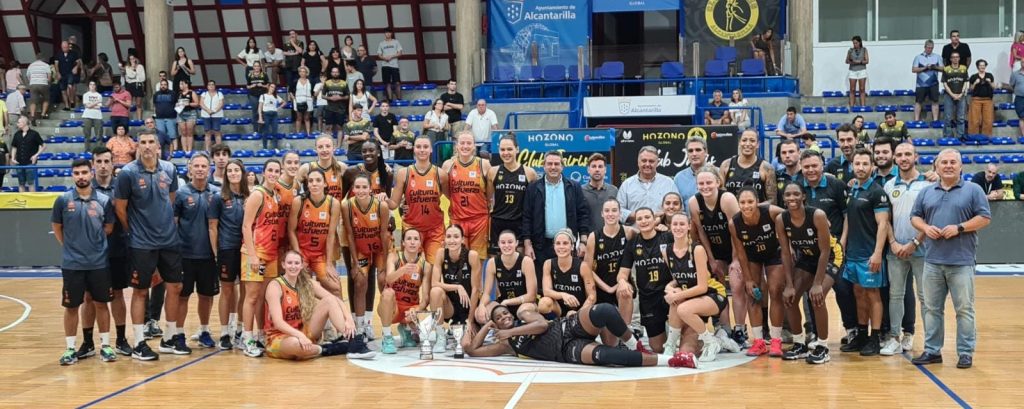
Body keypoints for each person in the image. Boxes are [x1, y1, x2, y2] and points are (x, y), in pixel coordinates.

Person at [910, 149, 990, 369]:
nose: (948, 166)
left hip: (961, 261)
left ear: (960, 166)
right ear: (936, 166)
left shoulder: (973, 190)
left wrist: (959, 227)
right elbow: (915, 217)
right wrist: (926, 228)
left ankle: (965, 352)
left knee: (964, 309)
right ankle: (932, 351)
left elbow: (985, 218)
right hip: (932, 261)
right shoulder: (927, 192)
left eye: (953, 162)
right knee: (931, 309)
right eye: (943, 162)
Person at [114, 130, 185, 360]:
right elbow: (120, 208)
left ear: (158, 146)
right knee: (141, 291)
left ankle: (169, 338)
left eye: (151, 142)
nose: (147, 146)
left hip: (169, 240)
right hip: (141, 242)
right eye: (142, 142)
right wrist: (133, 231)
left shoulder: (170, 169)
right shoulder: (127, 173)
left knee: (175, 287)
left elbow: (170, 201)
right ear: (137, 146)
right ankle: (139, 343)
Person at [465, 301, 682, 366]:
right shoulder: (506, 345)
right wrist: (485, 325)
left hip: (566, 327)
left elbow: (542, 325)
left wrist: (511, 330)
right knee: (606, 357)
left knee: (604, 310)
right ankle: (669, 360)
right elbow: (472, 350)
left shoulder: (523, 315)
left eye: (505, 313)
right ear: (496, 324)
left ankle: (635, 345)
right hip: (565, 350)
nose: (504, 317)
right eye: (499, 318)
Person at [53, 159, 117, 365]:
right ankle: (70, 349)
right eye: (76, 173)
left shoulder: (104, 201)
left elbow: (108, 227)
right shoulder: (63, 200)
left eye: (84, 172)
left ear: (91, 173)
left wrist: (93, 245)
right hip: (72, 264)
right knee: (71, 306)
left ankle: (105, 346)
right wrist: (71, 247)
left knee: (101, 303)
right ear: (72, 175)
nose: (80, 176)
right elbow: (57, 228)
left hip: (99, 263)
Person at [264, 251, 375, 360]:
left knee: (329, 300)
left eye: (296, 263)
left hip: (304, 331)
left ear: (302, 265)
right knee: (296, 345)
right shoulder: (275, 286)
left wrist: (349, 318)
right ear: (283, 265)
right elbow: (278, 323)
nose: (293, 266)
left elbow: (335, 299)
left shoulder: (306, 282)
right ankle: (330, 349)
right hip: (279, 338)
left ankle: (353, 342)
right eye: (290, 263)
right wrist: (299, 336)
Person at [775, 182, 842, 364]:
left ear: (803, 196)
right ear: (784, 198)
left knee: (816, 297)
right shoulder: (781, 219)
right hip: (807, 256)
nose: (792, 198)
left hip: (831, 256)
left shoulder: (817, 215)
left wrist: (817, 283)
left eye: (796, 194)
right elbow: (785, 253)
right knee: (789, 298)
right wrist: (789, 285)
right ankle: (799, 343)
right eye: (788, 195)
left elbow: (825, 251)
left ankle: (823, 346)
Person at [78, 147, 132, 357]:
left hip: (117, 249)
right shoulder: (84, 189)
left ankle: (121, 340)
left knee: (117, 294)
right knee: (88, 297)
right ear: (93, 165)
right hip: (91, 254)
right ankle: (88, 342)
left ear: (113, 163)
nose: (102, 165)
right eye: (98, 161)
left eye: (106, 161)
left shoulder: (121, 188)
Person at [661, 212, 738, 360]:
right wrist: (669, 288)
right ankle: (671, 345)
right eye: (675, 224)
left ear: (689, 226)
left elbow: (702, 287)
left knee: (681, 306)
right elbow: (678, 279)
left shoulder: (697, 249)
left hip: (713, 294)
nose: (678, 227)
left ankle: (711, 343)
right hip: (692, 298)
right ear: (670, 226)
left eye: (682, 224)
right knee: (686, 350)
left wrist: (675, 295)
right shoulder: (667, 251)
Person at [838, 148, 890, 357]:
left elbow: (883, 224)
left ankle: (875, 338)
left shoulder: (877, 192)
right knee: (858, 293)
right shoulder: (853, 189)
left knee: (872, 294)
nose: (860, 167)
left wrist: (877, 253)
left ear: (872, 166)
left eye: (865, 164)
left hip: (869, 254)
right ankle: (861, 335)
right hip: (853, 253)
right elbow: (849, 218)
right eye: (857, 164)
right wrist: (843, 240)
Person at [689, 170, 748, 347]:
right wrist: (711, 259)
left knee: (737, 285)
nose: (705, 186)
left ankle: (740, 330)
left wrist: (736, 259)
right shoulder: (694, 202)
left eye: (709, 182)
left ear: (717, 182)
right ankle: (725, 329)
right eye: (701, 183)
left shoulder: (727, 199)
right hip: (716, 250)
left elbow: (737, 231)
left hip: (736, 247)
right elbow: (700, 232)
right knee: (718, 288)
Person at [880, 143, 928, 356]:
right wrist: (893, 243)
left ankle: (930, 343)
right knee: (896, 295)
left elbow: (930, 218)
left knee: (926, 297)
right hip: (896, 251)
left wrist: (914, 243)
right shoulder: (889, 185)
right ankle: (894, 338)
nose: (903, 158)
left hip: (923, 249)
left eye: (908, 154)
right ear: (895, 158)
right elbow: (885, 219)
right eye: (899, 155)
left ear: (915, 156)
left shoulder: (928, 183)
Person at [729, 188, 788, 357]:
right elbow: (741, 253)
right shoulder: (734, 223)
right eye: (742, 202)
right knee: (752, 295)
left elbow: (793, 215)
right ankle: (759, 341)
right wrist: (748, 280)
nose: (746, 206)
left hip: (774, 253)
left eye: (750, 202)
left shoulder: (771, 211)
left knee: (775, 291)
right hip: (752, 256)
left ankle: (776, 340)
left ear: (757, 202)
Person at [173, 153, 220, 348]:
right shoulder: (180, 194)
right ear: (190, 168)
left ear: (209, 169)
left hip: (208, 255)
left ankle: (204, 330)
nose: (200, 169)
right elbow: (174, 224)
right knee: (182, 296)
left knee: (206, 296)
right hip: (185, 255)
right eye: (196, 166)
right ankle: (178, 333)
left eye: (204, 166)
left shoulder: (216, 193)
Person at [239, 159, 283, 358]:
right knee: (252, 296)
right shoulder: (257, 194)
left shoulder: (275, 195)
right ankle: (247, 338)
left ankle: (260, 334)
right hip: (255, 253)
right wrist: (252, 255)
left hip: (271, 253)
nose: (273, 174)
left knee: (264, 297)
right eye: (270, 170)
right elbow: (246, 226)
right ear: (263, 173)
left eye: (276, 171)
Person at [522, 151, 590, 275]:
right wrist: (527, 245)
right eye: (549, 164)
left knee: (566, 281)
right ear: (544, 166)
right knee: (543, 283)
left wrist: (583, 242)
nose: (553, 167)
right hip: (540, 246)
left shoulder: (574, 187)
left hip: (567, 245)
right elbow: (527, 217)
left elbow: (583, 215)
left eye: (556, 164)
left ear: (562, 166)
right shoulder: (533, 188)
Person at [342, 174, 392, 338]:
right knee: (360, 282)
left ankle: (386, 327)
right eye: (358, 187)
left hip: (380, 248)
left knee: (383, 281)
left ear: (370, 189)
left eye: (364, 187)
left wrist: (385, 263)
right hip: (361, 249)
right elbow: (350, 235)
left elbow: (384, 234)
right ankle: (361, 326)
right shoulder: (347, 206)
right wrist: (355, 262)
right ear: (353, 189)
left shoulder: (381, 206)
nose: (361, 190)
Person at [615, 207, 668, 353]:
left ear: (654, 220)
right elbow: (622, 273)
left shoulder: (666, 237)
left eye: (647, 217)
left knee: (685, 345)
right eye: (640, 219)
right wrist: (622, 282)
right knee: (657, 347)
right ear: (636, 222)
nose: (644, 221)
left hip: (668, 293)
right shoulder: (633, 243)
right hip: (648, 298)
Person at [583, 199, 636, 345]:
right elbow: (587, 268)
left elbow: (648, 235)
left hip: (622, 284)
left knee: (625, 291)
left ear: (620, 213)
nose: (610, 214)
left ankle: (627, 337)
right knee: (610, 344)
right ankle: (616, 340)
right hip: (602, 287)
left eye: (614, 210)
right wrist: (606, 288)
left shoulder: (629, 232)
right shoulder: (594, 236)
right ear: (602, 214)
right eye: (607, 211)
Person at [208, 159, 247, 350]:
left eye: (236, 170)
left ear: (242, 173)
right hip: (227, 249)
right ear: (226, 175)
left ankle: (240, 329)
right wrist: (216, 253)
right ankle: (224, 333)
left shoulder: (250, 196)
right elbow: (212, 226)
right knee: (227, 290)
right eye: (230, 171)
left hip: (247, 249)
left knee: (246, 291)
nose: (233, 173)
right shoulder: (218, 197)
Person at [387, 135, 448, 258]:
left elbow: (452, 197)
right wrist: (383, 197)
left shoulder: (440, 174)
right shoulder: (404, 173)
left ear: (431, 149)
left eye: (425, 147)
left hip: (435, 229)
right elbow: (393, 204)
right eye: (418, 147)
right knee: (412, 268)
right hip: (411, 228)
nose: (422, 150)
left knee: (434, 266)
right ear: (413, 149)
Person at [289, 167, 342, 294]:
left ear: (325, 184)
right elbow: (291, 230)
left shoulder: (333, 203)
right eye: (311, 181)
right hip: (303, 252)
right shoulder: (299, 201)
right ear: (307, 184)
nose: (314, 184)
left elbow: (331, 235)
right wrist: (298, 256)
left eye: (318, 180)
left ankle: (339, 309)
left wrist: (329, 263)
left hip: (320, 255)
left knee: (335, 287)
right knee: (304, 288)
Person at [378, 228, 431, 354]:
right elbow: (388, 279)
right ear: (403, 243)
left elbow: (426, 298)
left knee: (425, 314)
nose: (412, 242)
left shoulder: (425, 265)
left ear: (420, 243)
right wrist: (403, 270)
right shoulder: (394, 257)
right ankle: (387, 336)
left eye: (416, 239)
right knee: (388, 293)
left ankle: (406, 329)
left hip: (410, 309)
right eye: (409, 239)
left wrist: (417, 310)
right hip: (393, 308)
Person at [429, 225, 481, 349]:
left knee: (467, 345)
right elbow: (434, 283)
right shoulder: (441, 253)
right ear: (444, 239)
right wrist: (457, 287)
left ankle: (465, 326)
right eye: (449, 236)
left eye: (456, 237)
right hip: (450, 307)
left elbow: (476, 290)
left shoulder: (472, 255)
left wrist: (470, 321)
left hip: (469, 305)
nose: (452, 240)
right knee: (435, 291)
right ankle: (440, 336)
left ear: (462, 239)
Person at [442, 131, 491, 259]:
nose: (465, 146)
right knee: (458, 260)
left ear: (474, 146)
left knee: (477, 260)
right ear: (456, 146)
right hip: (457, 219)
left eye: (469, 143)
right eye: (462, 143)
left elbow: (490, 192)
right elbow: (446, 192)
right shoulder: (448, 165)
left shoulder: (484, 164)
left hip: (479, 220)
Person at [487, 134, 539, 252]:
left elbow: (533, 203)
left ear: (517, 149)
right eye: (502, 149)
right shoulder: (493, 172)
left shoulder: (529, 173)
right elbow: (489, 199)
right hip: (498, 222)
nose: (506, 153)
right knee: (496, 259)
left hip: (519, 223)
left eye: (509, 149)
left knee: (520, 259)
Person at [479, 230, 537, 323]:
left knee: (523, 311)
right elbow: (487, 293)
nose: (506, 245)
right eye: (503, 242)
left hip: (524, 303)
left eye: (510, 242)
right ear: (498, 244)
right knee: (480, 314)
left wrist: (508, 301)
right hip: (503, 305)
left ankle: (523, 330)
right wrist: (481, 305)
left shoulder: (526, 261)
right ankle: (493, 330)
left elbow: (532, 296)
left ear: (516, 243)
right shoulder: (492, 262)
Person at [538, 229, 596, 318]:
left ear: (572, 246)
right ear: (554, 246)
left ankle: (576, 321)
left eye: (565, 243)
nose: (561, 247)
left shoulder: (582, 266)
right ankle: (555, 323)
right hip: (559, 309)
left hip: (580, 309)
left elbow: (592, 297)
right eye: (558, 243)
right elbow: (546, 291)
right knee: (543, 303)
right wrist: (563, 295)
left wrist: (577, 315)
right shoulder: (548, 264)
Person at [617, 146, 680, 223]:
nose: (647, 164)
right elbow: (619, 210)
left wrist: (663, 217)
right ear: (638, 162)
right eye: (644, 161)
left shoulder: (669, 183)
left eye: (651, 161)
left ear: (657, 162)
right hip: (634, 229)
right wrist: (639, 216)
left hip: (662, 228)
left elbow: (679, 209)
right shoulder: (627, 184)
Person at [721, 129, 776, 204]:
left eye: (752, 141)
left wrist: (751, 207)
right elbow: (720, 195)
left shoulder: (767, 168)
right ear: (739, 142)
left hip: (756, 211)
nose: (747, 144)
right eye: (744, 140)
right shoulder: (726, 165)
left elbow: (772, 201)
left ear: (758, 144)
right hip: (731, 210)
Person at [581, 153, 618, 234]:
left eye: (600, 166)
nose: (597, 169)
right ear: (588, 170)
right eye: (594, 166)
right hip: (588, 238)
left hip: (611, 237)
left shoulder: (614, 190)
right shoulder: (580, 191)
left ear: (605, 170)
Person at [673, 137, 711, 214]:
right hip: (687, 220)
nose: (694, 154)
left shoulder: (718, 173)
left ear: (706, 152)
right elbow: (677, 206)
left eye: (698, 150)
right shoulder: (679, 178)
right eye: (690, 151)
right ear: (687, 154)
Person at [11, 116, 44, 192]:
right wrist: (13, 158)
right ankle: (22, 199)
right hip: (19, 162)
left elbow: (43, 145)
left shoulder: (34, 134)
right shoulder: (17, 134)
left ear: (24, 123)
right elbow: (14, 147)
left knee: (31, 183)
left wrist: (36, 155)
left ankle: (32, 199)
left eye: (19, 122)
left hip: (30, 162)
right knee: (21, 183)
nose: (17, 124)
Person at [912, 40, 943, 122]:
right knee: (918, 102)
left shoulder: (937, 57)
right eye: (928, 48)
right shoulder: (918, 57)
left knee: (935, 101)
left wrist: (934, 67)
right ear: (925, 47)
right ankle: (916, 120)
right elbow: (914, 69)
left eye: (931, 48)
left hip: (933, 83)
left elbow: (943, 69)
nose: (930, 49)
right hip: (920, 84)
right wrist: (924, 68)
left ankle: (935, 120)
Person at [942, 52, 969, 140]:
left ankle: (960, 136)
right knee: (948, 117)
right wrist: (952, 94)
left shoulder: (963, 68)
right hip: (949, 96)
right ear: (950, 59)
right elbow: (945, 84)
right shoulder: (946, 69)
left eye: (957, 57)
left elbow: (965, 82)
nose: (955, 59)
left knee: (961, 117)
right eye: (953, 57)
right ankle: (948, 136)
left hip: (961, 96)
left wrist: (961, 93)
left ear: (959, 58)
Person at [322, 67, 350, 144]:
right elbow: (322, 95)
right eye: (333, 72)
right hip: (329, 108)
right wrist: (330, 98)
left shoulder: (344, 83)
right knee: (328, 127)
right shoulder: (327, 83)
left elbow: (348, 96)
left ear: (339, 73)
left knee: (340, 128)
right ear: (331, 73)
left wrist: (340, 97)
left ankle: (338, 146)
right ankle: (328, 145)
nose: (335, 73)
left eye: (336, 72)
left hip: (341, 109)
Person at [968, 59, 995, 137]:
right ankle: (973, 136)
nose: (982, 67)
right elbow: (970, 89)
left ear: (985, 66)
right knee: (974, 120)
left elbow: (994, 87)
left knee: (988, 120)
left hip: (988, 100)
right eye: (980, 65)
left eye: (983, 65)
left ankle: (986, 137)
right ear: (977, 67)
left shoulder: (989, 75)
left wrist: (989, 82)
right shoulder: (973, 76)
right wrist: (975, 83)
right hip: (976, 100)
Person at [377, 28, 404, 101]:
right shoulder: (381, 43)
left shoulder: (396, 42)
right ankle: (390, 99)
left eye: (389, 32)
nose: (388, 34)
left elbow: (400, 53)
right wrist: (384, 58)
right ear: (384, 34)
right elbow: (379, 54)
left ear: (391, 33)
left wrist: (391, 56)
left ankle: (399, 99)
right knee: (387, 83)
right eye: (386, 32)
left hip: (394, 65)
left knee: (397, 82)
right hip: (385, 65)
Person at [774, 139, 803, 206]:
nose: (787, 155)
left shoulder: (807, 175)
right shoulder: (776, 176)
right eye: (783, 153)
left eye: (791, 152)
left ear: (799, 153)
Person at [56, 41, 82, 110]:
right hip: (62, 73)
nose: (65, 49)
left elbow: (78, 62)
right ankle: (67, 106)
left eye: (66, 47)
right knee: (63, 90)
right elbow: (56, 64)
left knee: (70, 85)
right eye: (63, 47)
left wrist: (76, 67)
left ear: (68, 47)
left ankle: (71, 100)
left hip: (70, 72)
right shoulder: (58, 54)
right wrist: (58, 73)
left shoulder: (74, 53)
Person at [26, 53, 52, 123]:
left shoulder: (31, 65)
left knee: (33, 101)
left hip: (33, 84)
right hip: (43, 84)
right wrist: (49, 83)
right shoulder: (46, 65)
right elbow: (49, 77)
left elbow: (28, 76)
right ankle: (43, 114)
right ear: (43, 58)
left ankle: (32, 115)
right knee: (46, 99)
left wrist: (31, 82)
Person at [246, 61, 270, 133]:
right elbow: (247, 86)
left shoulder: (264, 75)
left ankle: (263, 130)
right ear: (253, 67)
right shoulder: (250, 75)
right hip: (253, 95)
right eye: (255, 66)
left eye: (258, 66)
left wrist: (262, 85)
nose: (256, 67)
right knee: (255, 112)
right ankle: (255, 130)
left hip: (262, 95)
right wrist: (251, 86)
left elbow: (268, 85)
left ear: (260, 67)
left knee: (263, 111)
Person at [199, 80, 224, 151]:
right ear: (207, 86)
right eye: (209, 84)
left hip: (217, 115)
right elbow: (201, 103)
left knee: (217, 132)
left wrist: (214, 111)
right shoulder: (204, 94)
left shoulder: (219, 94)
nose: (211, 86)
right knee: (207, 133)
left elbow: (221, 104)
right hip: (206, 115)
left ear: (215, 86)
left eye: (212, 84)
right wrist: (208, 110)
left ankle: (219, 149)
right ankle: (207, 150)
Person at [153, 79, 177, 150]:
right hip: (159, 118)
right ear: (160, 85)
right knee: (160, 137)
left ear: (167, 85)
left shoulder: (173, 93)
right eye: (162, 84)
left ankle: (174, 151)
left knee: (173, 136)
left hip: (171, 118)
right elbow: (154, 105)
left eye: (165, 84)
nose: (163, 86)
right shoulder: (156, 94)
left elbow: (177, 104)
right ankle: (162, 151)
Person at [257, 83, 283, 150]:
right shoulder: (263, 96)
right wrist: (260, 117)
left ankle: (275, 147)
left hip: (274, 114)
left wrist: (278, 108)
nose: (272, 89)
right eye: (271, 87)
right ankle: (265, 147)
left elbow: (284, 102)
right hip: (266, 114)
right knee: (265, 132)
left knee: (275, 131)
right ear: (268, 87)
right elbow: (260, 107)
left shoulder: (276, 96)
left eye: (274, 87)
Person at [175, 80, 199, 153]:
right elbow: (177, 103)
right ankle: (184, 150)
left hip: (190, 113)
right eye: (180, 84)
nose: (180, 85)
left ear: (186, 85)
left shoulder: (192, 93)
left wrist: (188, 104)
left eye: (181, 84)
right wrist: (177, 105)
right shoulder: (179, 93)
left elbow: (197, 103)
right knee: (183, 133)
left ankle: (189, 150)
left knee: (189, 133)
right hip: (181, 113)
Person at [846, 35, 869, 107]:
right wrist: (852, 61)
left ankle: (863, 106)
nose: (854, 44)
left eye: (856, 43)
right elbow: (846, 61)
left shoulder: (864, 50)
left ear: (860, 42)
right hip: (852, 71)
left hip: (862, 70)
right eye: (853, 43)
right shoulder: (850, 50)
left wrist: (859, 62)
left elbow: (867, 61)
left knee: (862, 89)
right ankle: (852, 106)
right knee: (852, 89)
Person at [121, 54, 146, 120]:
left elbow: (143, 78)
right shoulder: (127, 67)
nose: (132, 60)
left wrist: (135, 75)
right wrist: (133, 68)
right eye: (130, 59)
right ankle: (128, 119)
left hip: (138, 85)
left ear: (136, 59)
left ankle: (139, 120)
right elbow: (131, 76)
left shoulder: (140, 66)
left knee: (138, 104)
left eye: (133, 58)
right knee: (129, 104)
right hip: (130, 85)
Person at [290, 66, 314, 136]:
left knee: (307, 118)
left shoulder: (310, 81)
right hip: (298, 100)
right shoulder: (295, 81)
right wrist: (293, 98)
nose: (302, 73)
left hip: (308, 100)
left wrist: (312, 99)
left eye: (304, 72)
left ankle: (308, 133)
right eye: (301, 71)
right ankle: (297, 133)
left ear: (307, 73)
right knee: (299, 118)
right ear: (299, 73)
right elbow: (290, 91)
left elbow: (313, 92)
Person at [81, 81, 103, 152]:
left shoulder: (99, 95)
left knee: (99, 135)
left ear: (95, 86)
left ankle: (99, 151)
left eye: (94, 84)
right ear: (89, 86)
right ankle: (87, 150)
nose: (92, 86)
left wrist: (91, 105)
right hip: (87, 116)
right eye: (91, 84)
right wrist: (96, 102)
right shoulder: (85, 95)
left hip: (98, 116)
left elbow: (98, 107)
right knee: (87, 135)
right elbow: (87, 106)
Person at [1010, 61, 1024, 137]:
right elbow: (1011, 86)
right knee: (1022, 117)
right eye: (1023, 62)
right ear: (1021, 63)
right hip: (1019, 98)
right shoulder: (1015, 74)